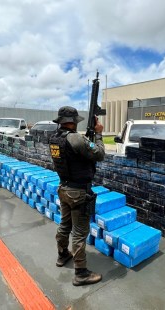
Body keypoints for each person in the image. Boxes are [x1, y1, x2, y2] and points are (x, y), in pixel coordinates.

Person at [49, 106, 105, 286]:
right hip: (78, 192)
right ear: (72, 122)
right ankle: (81, 273)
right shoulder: (75, 138)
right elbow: (100, 154)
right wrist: (98, 135)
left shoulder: (55, 138)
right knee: (80, 233)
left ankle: (62, 254)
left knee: (65, 225)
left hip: (63, 188)